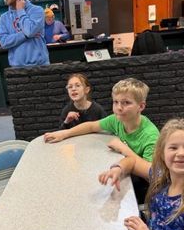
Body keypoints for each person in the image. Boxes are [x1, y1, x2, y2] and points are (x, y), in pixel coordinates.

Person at [45, 78, 158, 208]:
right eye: (116, 102)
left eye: (126, 103)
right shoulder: (117, 120)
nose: (119, 108)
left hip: (142, 192)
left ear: (141, 106)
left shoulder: (150, 136)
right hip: (123, 175)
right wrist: (65, 133)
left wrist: (123, 149)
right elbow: (91, 126)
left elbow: (151, 174)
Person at [0, 0, 49, 67]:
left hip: (40, 66)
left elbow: (29, 31)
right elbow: (3, 42)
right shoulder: (4, 17)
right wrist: (25, 35)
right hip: (17, 68)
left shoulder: (37, 10)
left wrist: (20, 10)